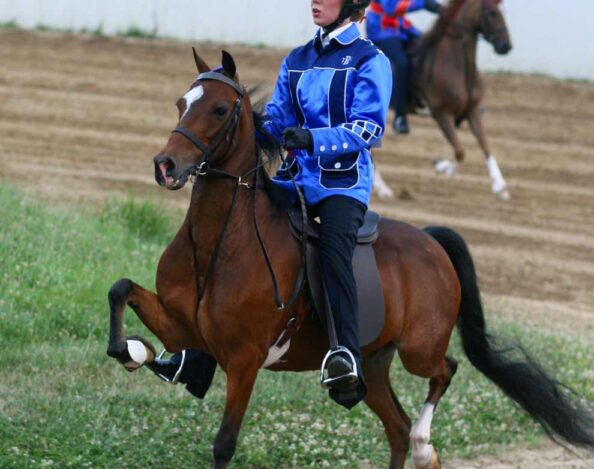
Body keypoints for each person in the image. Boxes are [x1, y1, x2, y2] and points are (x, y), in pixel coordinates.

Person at [149, 0, 392, 410]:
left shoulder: (371, 59)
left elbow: (367, 128)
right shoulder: (297, 58)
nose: (314, 2)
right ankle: (198, 357)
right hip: (292, 180)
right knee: (236, 244)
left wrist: (313, 140)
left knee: (334, 254)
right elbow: (277, 120)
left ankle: (345, 353)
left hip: (341, 186)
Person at [366, 0, 441, 134]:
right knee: (402, 63)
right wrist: (424, 4)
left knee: (426, 49)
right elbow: (390, 8)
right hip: (381, 30)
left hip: (399, 28)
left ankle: (421, 98)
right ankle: (400, 117)